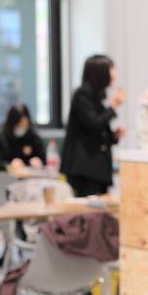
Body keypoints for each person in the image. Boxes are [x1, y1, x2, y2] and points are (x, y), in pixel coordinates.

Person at [61, 55, 125, 197]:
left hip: (97, 169)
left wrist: (114, 136)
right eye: (111, 69)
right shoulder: (82, 95)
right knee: (89, 208)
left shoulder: (98, 96)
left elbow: (98, 133)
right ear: (100, 72)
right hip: (85, 168)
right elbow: (93, 125)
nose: (114, 73)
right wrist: (113, 106)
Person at [0, 104, 47, 169]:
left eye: (24, 124)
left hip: (31, 172)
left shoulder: (34, 138)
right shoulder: (0, 139)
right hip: (7, 173)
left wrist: (38, 161)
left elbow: (44, 160)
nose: (21, 127)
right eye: (18, 124)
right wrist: (9, 164)